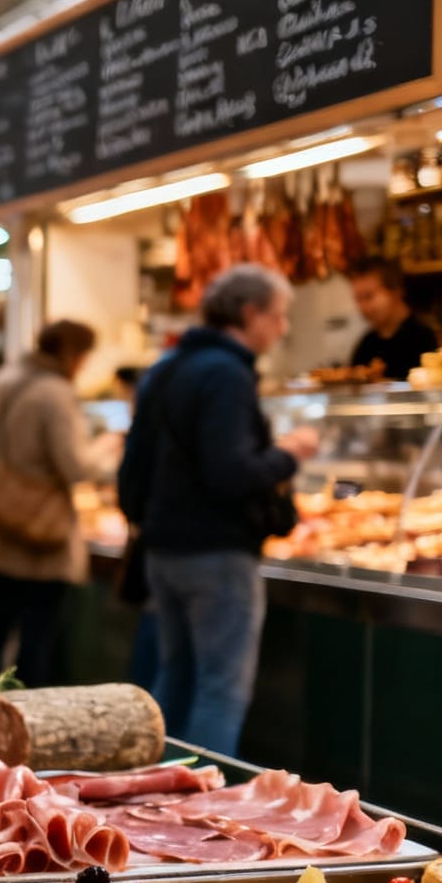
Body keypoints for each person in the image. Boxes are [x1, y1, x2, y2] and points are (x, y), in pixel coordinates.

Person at [119, 265, 321, 758]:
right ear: (249, 314)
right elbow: (231, 473)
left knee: (176, 675)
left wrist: (146, 520)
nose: (283, 328)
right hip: (218, 553)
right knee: (220, 691)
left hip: (163, 549)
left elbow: (132, 467)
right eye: (278, 316)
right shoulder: (228, 374)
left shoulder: (166, 367)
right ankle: (200, 814)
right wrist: (290, 452)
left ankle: (153, 793)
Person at [0, 320, 101, 687]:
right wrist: (109, 452)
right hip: (39, 537)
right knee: (36, 641)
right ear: (74, 355)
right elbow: (76, 466)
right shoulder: (55, 394)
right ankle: (26, 728)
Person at [347, 258, 439, 382]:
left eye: (369, 296)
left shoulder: (425, 337)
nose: (363, 307)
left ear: (396, 291)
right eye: (358, 299)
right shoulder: (366, 345)